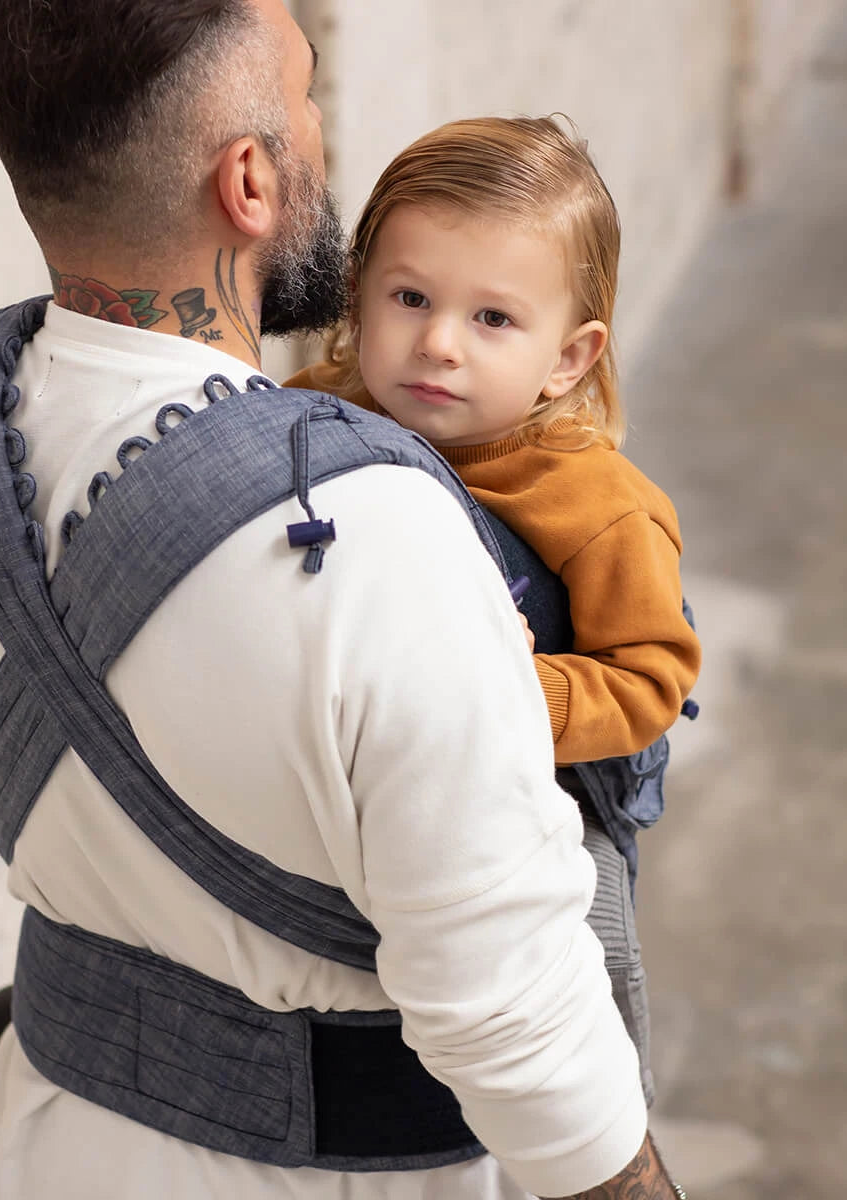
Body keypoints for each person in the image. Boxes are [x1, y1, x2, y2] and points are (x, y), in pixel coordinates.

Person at [0, 2, 686, 1196]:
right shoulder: (377, 539)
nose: (321, 131)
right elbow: (515, 1006)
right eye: (306, 98)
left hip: (62, 1144)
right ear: (248, 178)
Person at [285, 116, 702, 1108]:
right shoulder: (311, 415)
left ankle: (607, 1142)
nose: (437, 344)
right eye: (411, 298)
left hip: (548, 805)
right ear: (359, 295)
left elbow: (653, 678)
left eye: (493, 320)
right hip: (364, 778)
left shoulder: (595, 503)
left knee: (581, 980)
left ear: (569, 356)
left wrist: (513, 688)